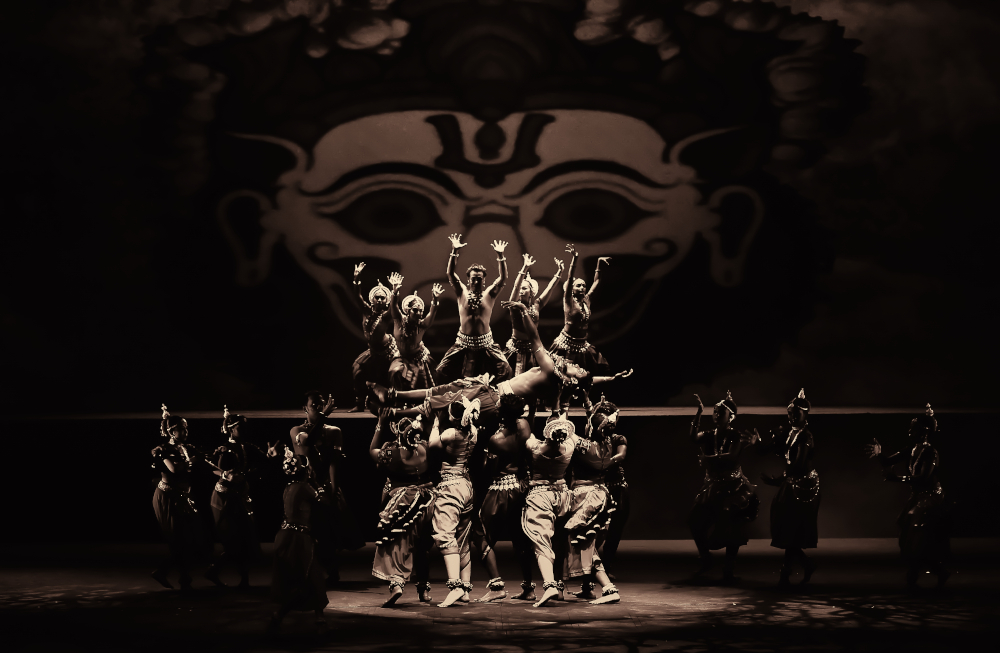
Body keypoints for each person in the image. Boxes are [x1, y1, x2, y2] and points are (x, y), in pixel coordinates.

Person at [368, 300, 632, 431]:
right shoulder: (561, 381)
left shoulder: (551, 371)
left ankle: (394, 411)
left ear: (572, 378)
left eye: (579, 368)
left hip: (495, 401)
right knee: (449, 389)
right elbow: (586, 382)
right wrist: (609, 380)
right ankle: (392, 396)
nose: (576, 365)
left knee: (447, 399)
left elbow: (535, 337)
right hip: (493, 393)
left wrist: (521, 311)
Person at [866, 404, 951, 589]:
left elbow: (923, 477)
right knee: (906, 528)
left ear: (924, 432)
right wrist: (880, 454)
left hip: (931, 497)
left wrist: (897, 478)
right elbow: (888, 461)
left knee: (917, 533)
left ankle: (921, 571)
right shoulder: (912, 449)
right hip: (919, 496)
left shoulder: (930, 452)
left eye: (914, 428)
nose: (909, 431)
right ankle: (930, 569)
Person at [287, 391, 365, 585]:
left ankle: (330, 571)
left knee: (329, 531)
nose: (319, 408)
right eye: (315, 405)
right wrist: (323, 418)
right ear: (304, 408)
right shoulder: (297, 431)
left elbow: (334, 463)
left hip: (325, 484)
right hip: (305, 488)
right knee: (306, 531)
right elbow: (307, 443)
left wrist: (334, 489)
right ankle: (307, 571)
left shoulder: (334, 431)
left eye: (321, 405)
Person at [469, 393, 537, 602]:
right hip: (522, 487)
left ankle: (497, 586)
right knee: (521, 540)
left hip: (502, 490)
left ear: (501, 413)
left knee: (479, 535)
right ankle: (528, 588)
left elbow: (488, 470)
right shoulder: (524, 426)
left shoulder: (496, 440)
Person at [688, 392, 760, 584]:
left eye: (721, 412)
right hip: (713, 485)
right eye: (715, 411)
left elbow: (732, 456)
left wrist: (708, 459)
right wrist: (698, 413)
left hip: (733, 486)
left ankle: (729, 568)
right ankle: (706, 559)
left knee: (732, 527)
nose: (717, 414)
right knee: (694, 520)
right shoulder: (710, 434)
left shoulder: (734, 435)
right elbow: (694, 437)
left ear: (731, 417)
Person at [370, 409, 436, 606]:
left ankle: (397, 584)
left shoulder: (392, 454)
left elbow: (372, 450)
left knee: (398, 543)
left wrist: (380, 424)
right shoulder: (425, 448)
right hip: (428, 501)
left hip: (405, 503)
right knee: (423, 548)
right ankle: (423, 590)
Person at [564, 395, 623, 604]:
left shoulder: (585, 447)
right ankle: (588, 587)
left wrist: (562, 405)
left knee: (585, 545)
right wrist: (588, 402)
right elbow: (596, 423)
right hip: (602, 495)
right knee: (593, 543)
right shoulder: (607, 444)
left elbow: (565, 431)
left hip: (586, 498)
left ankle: (608, 588)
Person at [758, 389, 820, 587]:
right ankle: (805, 564)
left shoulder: (806, 437)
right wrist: (756, 443)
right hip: (790, 483)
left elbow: (799, 464)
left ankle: (786, 573)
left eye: (796, 414)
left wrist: (780, 479)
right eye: (790, 414)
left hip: (805, 488)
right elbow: (768, 450)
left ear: (805, 414)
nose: (792, 417)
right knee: (784, 527)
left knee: (792, 531)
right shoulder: (788, 432)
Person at [434, 234, 512, 384]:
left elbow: (503, 279)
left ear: (484, 281)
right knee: (441, 371)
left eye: (479, 278)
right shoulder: (461, 291)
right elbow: (450, 274)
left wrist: (501, 256)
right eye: (473, 278)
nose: (476, 281)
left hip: (486, 343)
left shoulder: (489, 294)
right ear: (468, 279)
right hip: (463, 342)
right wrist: (454, 251)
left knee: (505, 370)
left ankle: (494, 399)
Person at [267, 449, 329, 634]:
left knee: (303, 575)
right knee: (309, 575)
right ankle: (282, 613)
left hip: (286, 535)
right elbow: (324, 501)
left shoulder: (289, 487)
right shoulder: (304, 487)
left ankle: (316, 614)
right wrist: (321, 484)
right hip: (298, 539)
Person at [428, 397, 481, 607]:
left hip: (451, 487)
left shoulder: (451, 433)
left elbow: (432, 445)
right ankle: (465, 589)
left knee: (444, 532)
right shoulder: (473, 432)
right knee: (463, 538)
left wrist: (434, 423)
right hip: (467, 486)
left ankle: (455, 585)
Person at [150, 406, 209, 592]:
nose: (186, 432)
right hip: (167, 497)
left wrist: (224, 471)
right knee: (179, 539)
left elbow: (205, 462)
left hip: (183, 497)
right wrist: (192, 460)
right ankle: (183, 579)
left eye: (186, 428)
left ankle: (171, 574)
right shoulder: (162, 450)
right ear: (171, 431)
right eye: (182, 429)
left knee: (190, 538)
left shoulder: (186, 448)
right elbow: (174, 469)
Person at [205, 407, 265, 589]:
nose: (245, 430)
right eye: (241, 427)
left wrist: (270, 455)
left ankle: (242, 579)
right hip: (224, 499)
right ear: (231, 429)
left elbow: (263, 461)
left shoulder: (248, 447)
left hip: (240, 496)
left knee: (245, 537)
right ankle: (215, 571)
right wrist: (224, 475)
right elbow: (209, 465)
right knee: (233, 539)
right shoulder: (224, 449)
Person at [548, 244, 611, 378]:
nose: (582, 287)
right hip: (566, 345)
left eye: (583, 285)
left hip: (582, 344)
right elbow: (570, 277)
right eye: (578, 285)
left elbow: (597, 281)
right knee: (562, 377)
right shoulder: (568, 300)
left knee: (588, 375)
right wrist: (575, 259)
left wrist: (599, 262)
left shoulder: (586, 300)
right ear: (572, 288)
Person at [349, 262, 400, 412]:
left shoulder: (385, 316)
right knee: (356, 370)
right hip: (373, 351)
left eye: (382, 298)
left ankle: (396, 403)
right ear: (372, 299)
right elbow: (357, 295)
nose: (379, 300)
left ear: (386, 302)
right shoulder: (366, 310)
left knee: (391, 375)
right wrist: (356, 278)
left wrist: (395, 290)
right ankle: (359, 404)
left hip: (388, 351)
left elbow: (394, 306)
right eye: (377, 297)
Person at [504, 253, 563, 376]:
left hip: (533, 349)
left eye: (524, 288)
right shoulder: (515, 306)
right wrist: (525, 268)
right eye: (521, 288)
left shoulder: (537, 305)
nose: (521, 290)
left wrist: (559, 272)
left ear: (532, 292)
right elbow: (515, 286)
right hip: (516, 350)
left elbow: (550, 288)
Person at [387, 272, 444, 391]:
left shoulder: (422, 325)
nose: (419, 313)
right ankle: (399, 401)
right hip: (401, 358)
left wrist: (435, 299)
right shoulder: (399, 320)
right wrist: (395, 291)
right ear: (407, 310)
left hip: (419, 359)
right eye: (415, 310)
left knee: (422, 384)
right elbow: (393, 306)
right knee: (395, 371)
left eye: (421, 311)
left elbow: (432, 313)